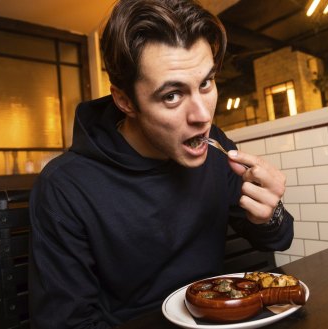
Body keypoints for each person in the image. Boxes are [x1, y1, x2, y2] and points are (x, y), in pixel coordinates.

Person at [28, 0, 294, 327]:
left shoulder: (217, 148)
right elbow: (66, 323)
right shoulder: (65, 187)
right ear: (125, 100)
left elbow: (277, 239)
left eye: (206, 83)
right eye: (172, 95)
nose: (202, 116)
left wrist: (270, 213)